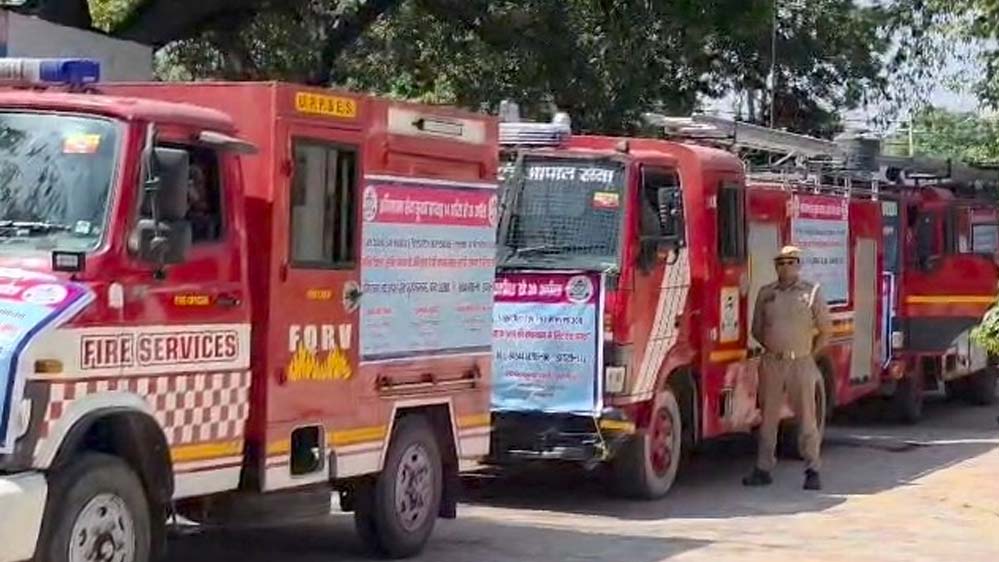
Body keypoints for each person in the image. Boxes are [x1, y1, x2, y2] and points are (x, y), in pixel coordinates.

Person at [743, 245, 832, 491]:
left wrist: (808, 354)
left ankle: (812, 469)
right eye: (781, 263)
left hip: (801, 362)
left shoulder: (811, 292)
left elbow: (825, 330)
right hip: (772, 362)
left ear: (799, 265)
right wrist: (774, 348)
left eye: (791, 262)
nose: (786, 267)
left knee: (806, 418)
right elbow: (757, 329)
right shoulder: (766, 293)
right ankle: (763, 469)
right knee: (768, 418)